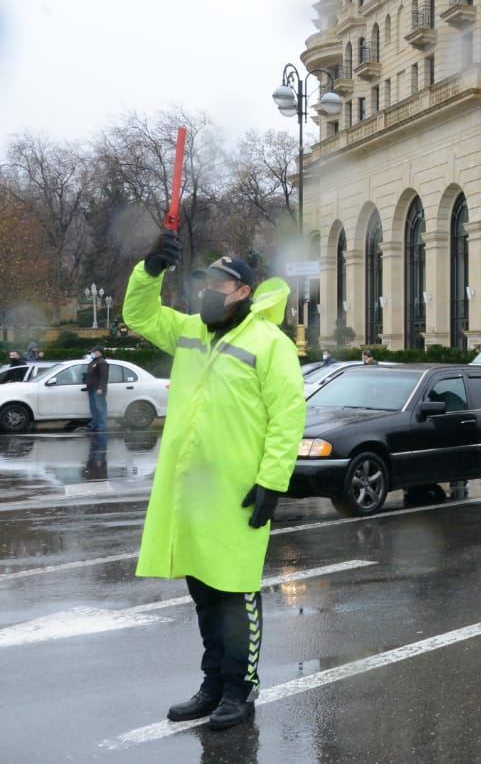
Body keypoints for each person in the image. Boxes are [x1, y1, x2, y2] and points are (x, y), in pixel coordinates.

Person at [124, 232, 305, 731]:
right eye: (204, 283)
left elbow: (287, 416)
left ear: (244, 291)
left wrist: (272, 482)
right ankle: (212, 685)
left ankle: (239, 691)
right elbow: (139, 315)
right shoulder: (189, 332)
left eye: (218, 285)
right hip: (192, 493)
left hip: (239, 494)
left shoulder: (271, 344)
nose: (207, 292)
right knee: (204, 592)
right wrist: (149, 270)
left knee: (236, 594)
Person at [84, 346, 109, 432]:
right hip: (92, 388)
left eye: (94, 352)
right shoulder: (93, 362)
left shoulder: (102, 363)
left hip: (98, 389)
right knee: (93, 408)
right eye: (92, 352)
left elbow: (104, 377)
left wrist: (101, 388)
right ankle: (95, 424)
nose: (92, 353)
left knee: (100, 407)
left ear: (100, 353)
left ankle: (102, 425)